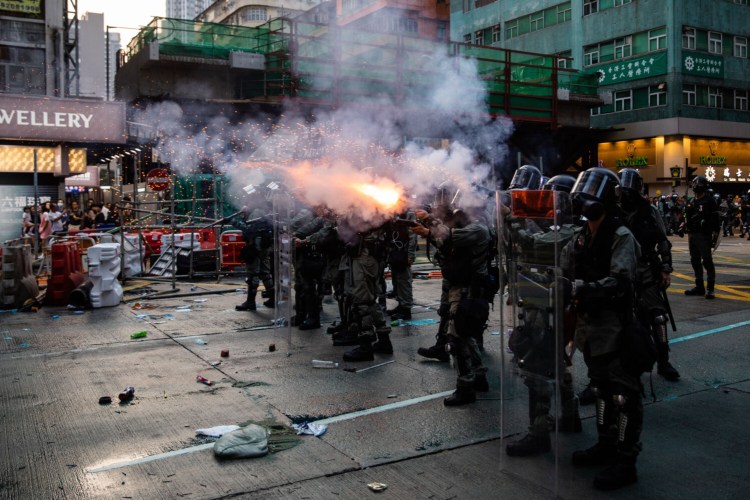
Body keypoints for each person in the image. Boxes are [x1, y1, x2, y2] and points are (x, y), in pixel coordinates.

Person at [562, 167, 642, 491]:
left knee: (624, 395)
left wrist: (581, 288)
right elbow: (562, 263)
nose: (585, 198)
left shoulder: (621, 236)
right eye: (585, 189)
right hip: (590, 329)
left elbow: (620, 282)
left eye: (594, 191)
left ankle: (626, 459)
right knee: (600, 390)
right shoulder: (582, 236)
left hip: (614, 329)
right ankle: (605, 443)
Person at [505, 175, 582, 457]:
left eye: (549, 198)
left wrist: (512, 219)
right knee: (555, 364)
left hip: (551, 307)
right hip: (544, 302)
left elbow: (534, 244)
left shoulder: (569, 230)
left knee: (536, 366)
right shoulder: (559, 227)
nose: (545, 204)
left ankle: (538, 432)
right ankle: (570, 415)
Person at [410, 206, 491, 406]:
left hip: (467, 290)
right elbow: (444, 242)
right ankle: (479, 377)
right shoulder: (472, 228)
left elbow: (449, 236)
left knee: (457, 338)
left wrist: (428, 222)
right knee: (465, 335)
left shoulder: (478, 229)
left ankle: (465, 389)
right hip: (461, 288)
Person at [618, 169, 679, 382]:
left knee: (658, 316)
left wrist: (665, 268)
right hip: (619, 269)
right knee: (615, 320)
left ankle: (663, 361)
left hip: (645, 267)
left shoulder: (650, 211)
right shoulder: (613, 211)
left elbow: (662, 240)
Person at [230, 205, 275, 312]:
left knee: (252, 274)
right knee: (265, 273)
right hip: (263, 246)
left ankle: (250, 302)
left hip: (255, 247)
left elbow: (249, 229)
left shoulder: (256, 213)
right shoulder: (262, 210)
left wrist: (234, 222)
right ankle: (273, 298)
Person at [681, 176, 720, 299]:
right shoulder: (691, 201)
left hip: (704, 235)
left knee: (707, 261)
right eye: (695, 183)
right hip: (692, 234)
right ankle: (699, 286)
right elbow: (686, 216)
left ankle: (710, 288)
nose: (696, 185)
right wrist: (683, 224)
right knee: (695, 260)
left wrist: (715, 234)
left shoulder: (709, 201)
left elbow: (715, 219)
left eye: (698, 183)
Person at [384, 209, 418, 321]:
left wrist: (410, 255)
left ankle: (406, 309)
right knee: (397, 280)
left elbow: (413, 235)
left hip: (403, 253)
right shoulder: (392, 211)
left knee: (404, 281)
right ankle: (401, 305)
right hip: (395, 253)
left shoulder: (409, 214)